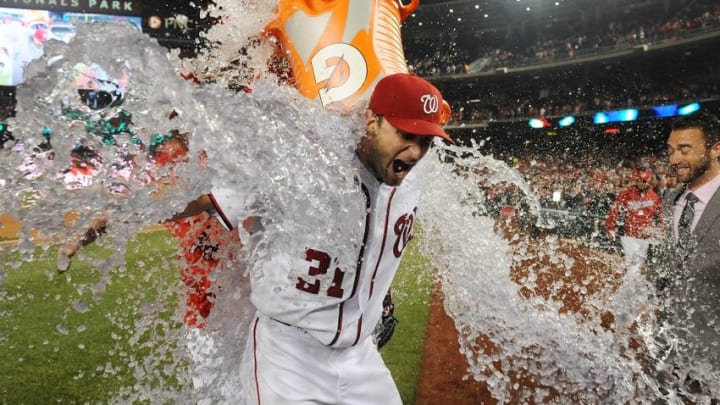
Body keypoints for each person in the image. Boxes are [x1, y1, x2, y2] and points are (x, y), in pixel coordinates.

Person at [171, 72, 453, 404]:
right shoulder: (302, 164)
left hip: (360, 358)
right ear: (371, 122)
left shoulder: (412, 186)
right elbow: (200, 198)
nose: (417, 151)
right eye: (406, 134)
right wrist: (123, 209)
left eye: (426, 141)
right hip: (290, 357)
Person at [649, 112, 720, 399]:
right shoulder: (670, 200)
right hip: (669, 359)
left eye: (685, 149)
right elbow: (665, 268)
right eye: (671, 150)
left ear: (716, 149)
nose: (675, 158)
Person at [604, 169, 663, 276]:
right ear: (636, 180)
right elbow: (614, 211)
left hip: (645, 236)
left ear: (648, 182)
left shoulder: (654, 196)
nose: (642, 183)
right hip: (629, 235)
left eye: (644, 181)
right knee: (632, 264)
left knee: (638, 265)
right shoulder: (626, 194)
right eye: (640, 180)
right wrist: (610, 227)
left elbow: (660, 216)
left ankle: (632, 286)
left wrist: (660, 229)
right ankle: (627, 287)